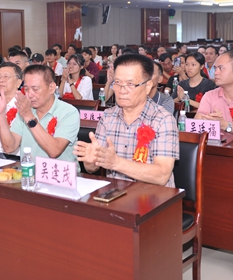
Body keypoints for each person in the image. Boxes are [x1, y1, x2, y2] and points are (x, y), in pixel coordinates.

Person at [74, 54, 179, 187]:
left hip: (154, 196)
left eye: (130, 84)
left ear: (148, 86)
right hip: (115, 194)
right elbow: (92, 168)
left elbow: (162, 175)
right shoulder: (107, 117)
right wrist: (90, 161)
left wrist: (116, 163)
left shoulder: (163, 119)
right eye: (117, 83)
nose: (122, 90)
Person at [0, 64, 80, 164]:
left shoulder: (69, 112)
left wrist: (29, 117)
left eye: (35, 89)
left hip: (60, 172)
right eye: (26, 89)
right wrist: (0, 114)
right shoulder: (25, 110)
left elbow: (54, 151)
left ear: (51, 88)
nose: (29, 94)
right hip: (29, 170)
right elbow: (9, 147)